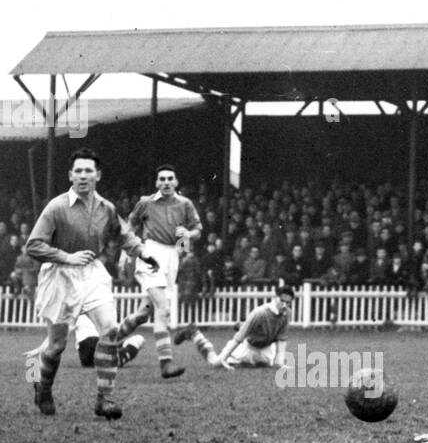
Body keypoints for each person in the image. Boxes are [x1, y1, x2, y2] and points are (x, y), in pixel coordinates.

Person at [25, 148, 158, 420]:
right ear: (70, 175)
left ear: (98, 175)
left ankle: (104, 399)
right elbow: (33, 245)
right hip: (60, 275)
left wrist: (143, 252)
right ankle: (43, 386)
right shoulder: (57, 207)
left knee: (109, 329)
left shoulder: (106, 208)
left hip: (92, 273)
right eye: (78, 171)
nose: (83, 176)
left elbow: (123, 235)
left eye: (88, 171)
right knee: (56, 346)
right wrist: (66, 256)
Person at [117, 165, 201, 379]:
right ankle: (166, 363)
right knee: (163, 308)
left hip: (171, 256)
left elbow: (196, 230)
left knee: (143, 314)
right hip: (151, 253)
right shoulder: (146, 202)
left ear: (176, 182)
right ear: (156, 183)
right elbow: (130, 225)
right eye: (161, 179)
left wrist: (187, 236)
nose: (165, 182)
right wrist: (125, 253)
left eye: (170, 178)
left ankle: (108, 343)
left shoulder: (185, 204)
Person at [186, 279, 295, 369]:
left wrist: (280, 363)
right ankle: (195, 334)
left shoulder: (286, 314)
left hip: (266, 348)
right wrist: (223, 359)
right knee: (215, 363)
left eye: (288, 302)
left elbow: (282, 339)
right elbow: (239, 338)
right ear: (276, 298)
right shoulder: (260, 312)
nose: (285, 305)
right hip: (249, 347)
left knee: (262, 366)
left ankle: (241, 325)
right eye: (282, 301)